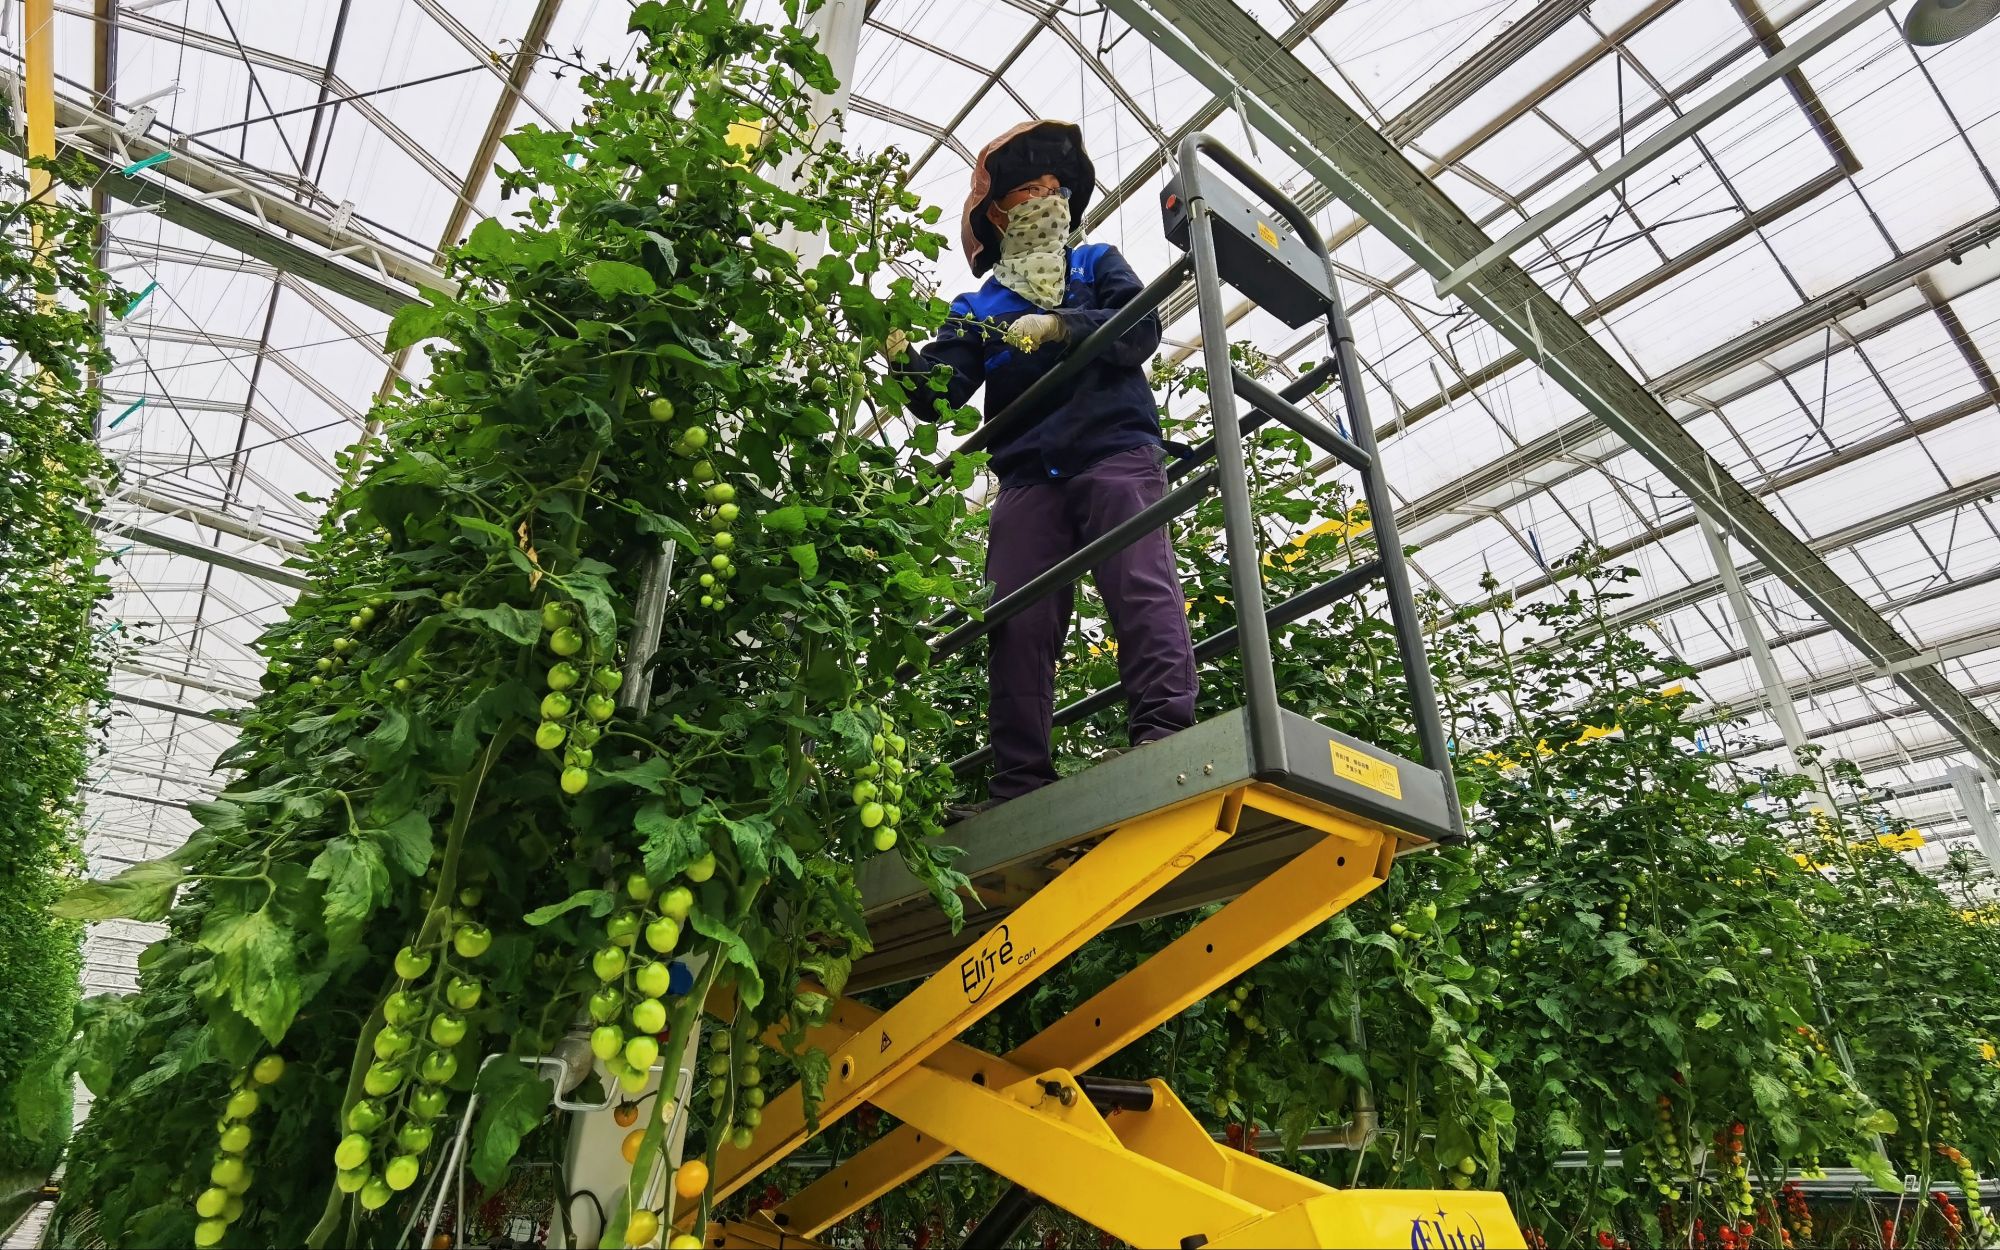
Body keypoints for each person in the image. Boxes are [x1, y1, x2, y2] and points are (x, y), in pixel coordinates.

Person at [889, 120, 1197, 817]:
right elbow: (940, 396)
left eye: (1055, 188)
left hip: (1115, 448)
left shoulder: (1095, 264)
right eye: (1029, 189)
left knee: (1139, 584)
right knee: (1016, 620)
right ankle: (1020, 780)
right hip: (1030, 474)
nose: (1047, 199)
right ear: (997, 216)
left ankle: (1163, 733)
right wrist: (901, 357)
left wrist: (1062, 328)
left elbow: (1140, 328)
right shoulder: (979, 308)